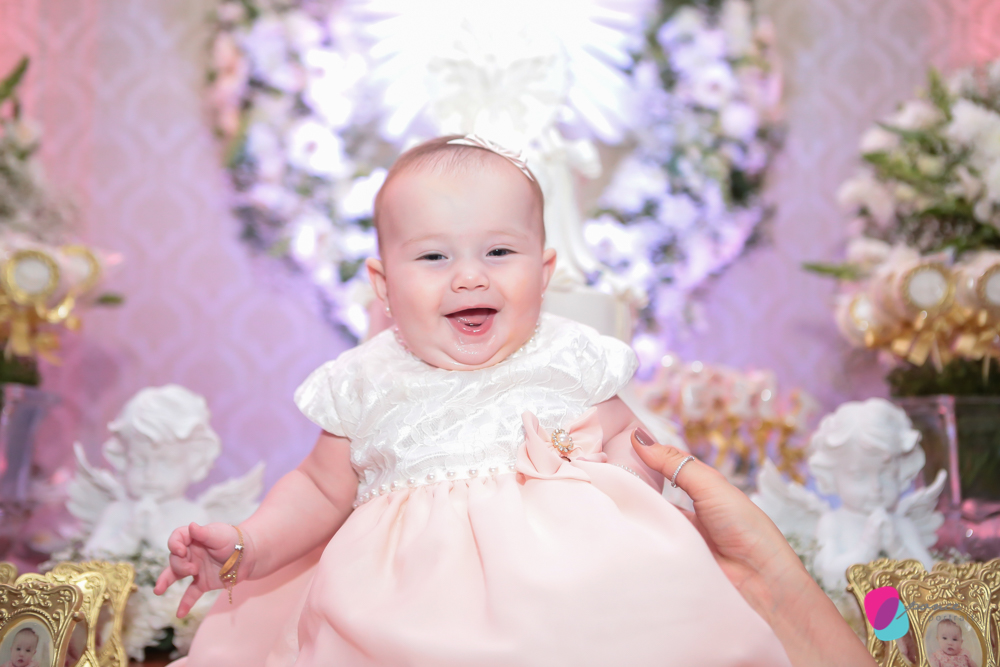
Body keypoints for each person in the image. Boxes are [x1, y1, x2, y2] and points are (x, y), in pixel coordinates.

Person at [156, 135, 873, 667]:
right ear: (383, 283)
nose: (470, 277)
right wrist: (250, 543)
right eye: (433, 257)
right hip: (406, 614)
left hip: (577, 595)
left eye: (499, 252)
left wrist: (626, 501)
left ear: (544, 268)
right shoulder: (366, 378)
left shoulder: (566, 355)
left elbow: (630, 444)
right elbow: (318, 488)